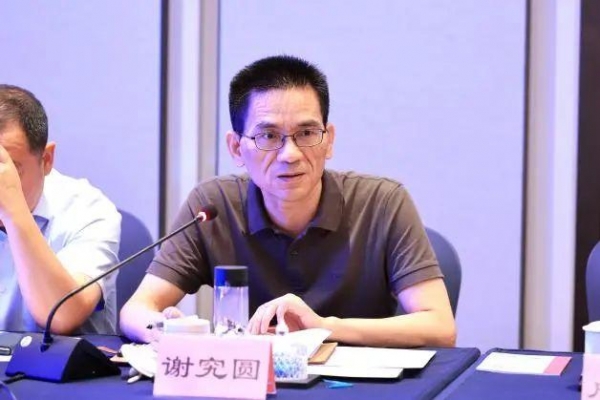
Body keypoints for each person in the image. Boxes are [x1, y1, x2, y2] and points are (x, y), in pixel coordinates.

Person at [121, 55, 456, 347]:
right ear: (236, 148)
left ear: (329, 140)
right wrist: (163, 331)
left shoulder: (382, 202)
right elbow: (136, 309)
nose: (290, 155)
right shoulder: (213, 206)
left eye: (306, 133)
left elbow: (440, 327)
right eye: (268, 136)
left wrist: (324, 327)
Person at [0, 84, 121, 334]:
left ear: (46, 160)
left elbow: (62, 315)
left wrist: (13, 212)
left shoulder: (88, 210)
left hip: (55, 359)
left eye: (12, 169)